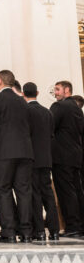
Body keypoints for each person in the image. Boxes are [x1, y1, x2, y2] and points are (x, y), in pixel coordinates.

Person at [0, 70, 33, 243]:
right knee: (24, 191)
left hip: (4, 152)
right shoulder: (23, 102)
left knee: (3, 190)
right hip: (25, 152)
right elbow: (30, 126)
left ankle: (9, 231)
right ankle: (27, 231)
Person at [23, 82, 60, 241]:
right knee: (48, 195)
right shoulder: (47, 112)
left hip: (31, 158)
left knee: (35, 195)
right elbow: (52, 135)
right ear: (37, 93)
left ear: (23, 94)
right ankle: (55, 230)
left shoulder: (25, 111)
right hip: (46, 159)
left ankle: (39, 231)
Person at [50, 80, 84, 237]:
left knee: (66, 192)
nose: (55, 92)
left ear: (67, 90)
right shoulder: (77, 109)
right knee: (77, 190)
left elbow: (50, 127)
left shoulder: (59, 107)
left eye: (57, 89)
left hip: (61, 157)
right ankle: (79, 224)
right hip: (76, 156)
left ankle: (72, 226)